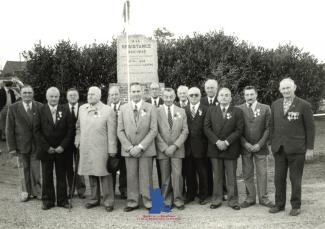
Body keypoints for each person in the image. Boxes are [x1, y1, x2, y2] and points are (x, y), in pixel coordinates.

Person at [269, 78, 315, 216]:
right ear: (280, 90)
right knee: (278, 179)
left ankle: (296, 206)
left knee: (295, 179)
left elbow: (310, 128)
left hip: (297, 149)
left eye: (288, 88)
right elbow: (272, 126)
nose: (286, 91)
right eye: (283, 88)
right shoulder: (275, 104)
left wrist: (310, 148)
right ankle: (279, 204)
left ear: (294, 87)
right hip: (279, 149)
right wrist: (272, 143)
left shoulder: (304, 105)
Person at [75, 86, 117, 212]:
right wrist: (77, 138)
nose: (89, 96)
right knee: (91, 172)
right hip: (86, 147)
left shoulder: (108, 110)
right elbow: (78, 126)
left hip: (102, 149)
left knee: (104, 174)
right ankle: (94, 199)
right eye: (88, 94)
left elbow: (112, 132)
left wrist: (112, 149)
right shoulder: (82, 109)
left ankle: (108, 201)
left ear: (99, 96)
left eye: (93, 94)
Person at [117, 82, 158, 212]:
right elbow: (120, 130)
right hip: (129, 150)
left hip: (145, 149)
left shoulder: (150, 108)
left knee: (146, 176)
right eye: (133, 91)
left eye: (138, 91)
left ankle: (148, 201)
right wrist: (129, 147)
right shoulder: (123, 108)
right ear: (130, 93)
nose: (135, 94)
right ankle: (132, 201)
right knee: (131, 175)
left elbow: (153, 130)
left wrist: (140, 147)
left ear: (142, 92)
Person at [204, 87, 244, 210]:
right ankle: (216, 200)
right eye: (221, 95)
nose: (224, 97)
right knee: (217, 176)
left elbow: (239, 130)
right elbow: (206, 127)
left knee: (231, 176)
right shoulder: (211, 110)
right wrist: (217, 142)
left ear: (231, 98)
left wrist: (226, 142)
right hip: (215, 148)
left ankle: (233, 201)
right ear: (218, 97)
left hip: (230, 148)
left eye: (227, 95)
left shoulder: (237, 111)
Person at [37, 87, 73, 210]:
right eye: (51, 96)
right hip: (46, 150)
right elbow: (36, 131)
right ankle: (48, 200)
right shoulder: (40, 110)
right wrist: (47, 147)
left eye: (56, 96)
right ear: (47, 97)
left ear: (59, 97)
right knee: (46, 175)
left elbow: (70, 130)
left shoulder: (65, 110)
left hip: (61, 150)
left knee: (61, 175)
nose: (53, 99)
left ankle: (62, 200)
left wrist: (62, 146)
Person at [238, 86, 273, 208]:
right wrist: (245, 144)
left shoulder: (265, 108)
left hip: (261, 148)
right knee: (247, 173)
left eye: (251, 94)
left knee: (262, 173)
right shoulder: (239, 109)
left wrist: (260, 144)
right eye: (247, 95)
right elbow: (238, 130)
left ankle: (264, 198)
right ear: (244, 96)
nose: (249, 97)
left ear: (256, 95)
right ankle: (250, 198)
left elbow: (269, 128)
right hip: (245, 148)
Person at [6, 85, 42, 201]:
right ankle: (25, 192)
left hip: (36, 145)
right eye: (25, 93)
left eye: (29, 92)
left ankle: (37, 191)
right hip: (20, 146)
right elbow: (9, 129)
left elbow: (44, 127)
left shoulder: (40, 106)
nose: (27, 95)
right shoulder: (13, 108)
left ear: (33, 94)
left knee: (36, 169)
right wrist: (12, 148)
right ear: (20, 94)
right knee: (23, 169)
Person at [156, 88, 188, 210]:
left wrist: (175, 146)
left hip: (177, 149)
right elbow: (155, 131)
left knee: (178, 175)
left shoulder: (182, 111)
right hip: (163, 150)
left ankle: (178, 199)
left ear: (175, 97)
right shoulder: (157, 111)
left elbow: (185, 131)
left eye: (171, 96)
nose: (168, 99)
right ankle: (166, 200)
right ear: (162, 97)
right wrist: (164, 147)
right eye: (166, 97)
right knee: (165, 176)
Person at [183, 87, 209, 205]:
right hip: (187, 147)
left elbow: (208, 128)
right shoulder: (183, 110)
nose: (193, 97)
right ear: (188, 96)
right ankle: (190, 194)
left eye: (196, 95)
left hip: (201, 147)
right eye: (191, 95)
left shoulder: (206, 109)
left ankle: (203, 195)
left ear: (200, 96)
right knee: (189, 172)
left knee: (203, 172)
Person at [64, 88, 86, 199]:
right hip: (67, 143)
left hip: (81, 141)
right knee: (68, 166)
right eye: (70, 95)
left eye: (75, 95)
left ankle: (81, 190)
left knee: (80, 165)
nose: (72, 97)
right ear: (67, 97)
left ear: (78, 96)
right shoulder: (62, 108)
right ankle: (70, 190)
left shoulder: (84, 107)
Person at [107, 86, 127, 199]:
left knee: (124, 169)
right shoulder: (106, 108)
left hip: (123, 143)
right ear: (109, 96)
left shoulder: (125, 108)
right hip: (110, 144)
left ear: (120, 95)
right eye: (112, 95)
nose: (114, 96)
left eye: (116, 94)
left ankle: (124, 190)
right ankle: (111, 192)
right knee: (111, 168)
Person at [201, 79, 219, 197]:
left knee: (219, 169)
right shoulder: (201, 101)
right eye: (208, 88)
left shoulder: (222, 98)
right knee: (206, 168)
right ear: (205, 89)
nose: (210, 90)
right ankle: (208, 191)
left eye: (212, 87)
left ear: (216, 88)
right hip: (203, 142)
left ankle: (223, 191)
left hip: (218, 140)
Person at [145, 82, 163, 188]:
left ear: (159, 90)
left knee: (162, 169)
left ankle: (162, 191)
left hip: (161, 140)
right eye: (152, 89)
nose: (154, 91)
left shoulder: (165, 102)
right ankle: (149, 192)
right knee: (148, 169)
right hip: (149, 141)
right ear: (149, 91)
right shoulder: (145, 104)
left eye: (156, 89)